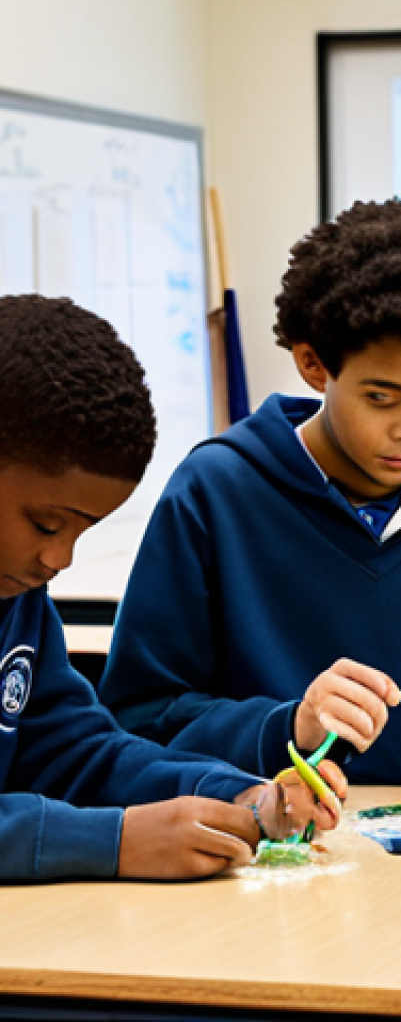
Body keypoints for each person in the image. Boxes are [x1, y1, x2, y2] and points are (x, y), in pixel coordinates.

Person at [100, 198, 401, 793]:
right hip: (267, 850)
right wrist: (289, 727)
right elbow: (137, 719)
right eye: (382, 398)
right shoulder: (216, 490)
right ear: (314, 366)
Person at [0, 294, 345, 881]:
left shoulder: (17, 598)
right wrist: (109, 840)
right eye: (47, 523)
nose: (59, 558)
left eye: (85, 531)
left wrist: (238, 796)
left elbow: (79, 752)